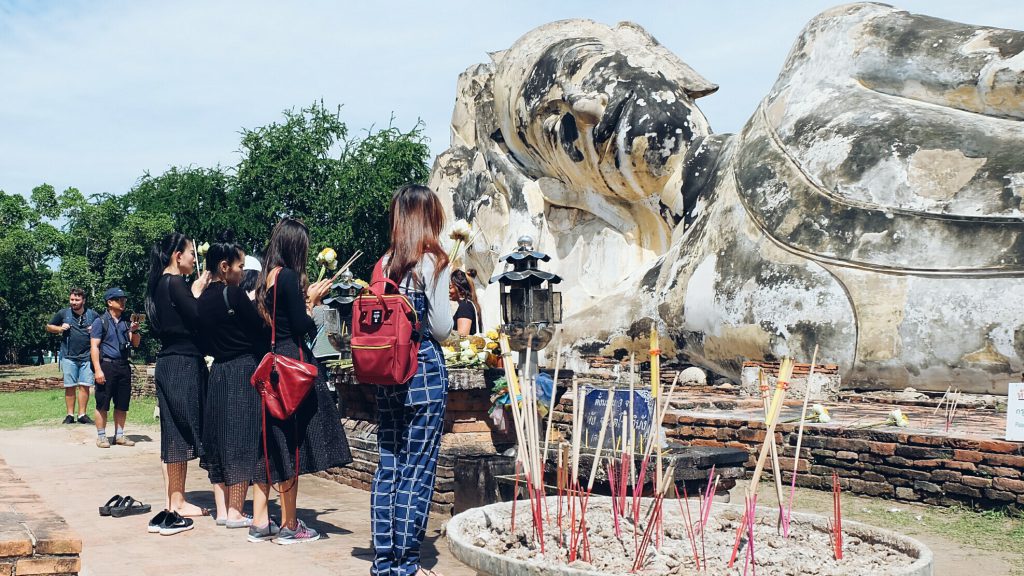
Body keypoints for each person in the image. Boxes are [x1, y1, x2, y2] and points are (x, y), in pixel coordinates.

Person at [253, 217, 351, 545]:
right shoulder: (290, 277)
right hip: (292, 364)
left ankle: (260, 521)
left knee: (271, 444)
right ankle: (290, 524)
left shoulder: (266, 278)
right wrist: (313, 302)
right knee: (291, 445)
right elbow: (302, 326)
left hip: (272, 362)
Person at [372, 184, 453, 576]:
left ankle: (384, 559)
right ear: (428, 217)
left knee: (389, 464)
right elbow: (440, 328)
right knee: (417, 468)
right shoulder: (433, 261)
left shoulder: (385, 263)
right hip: (423, 371)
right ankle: (407, 562)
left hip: (388, 374)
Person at [197, 234, 269, 535]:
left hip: (219, 372)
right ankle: (238, 510)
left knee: (219, 438)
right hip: (243, 369)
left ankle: (223, 509)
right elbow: (260, 330)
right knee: (241, 437)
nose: (242, 271)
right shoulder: (234, 294)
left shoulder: (202, 299)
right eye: (239, 266)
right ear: (225, 267)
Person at [143, 233, 214, 536]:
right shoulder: (174, 283)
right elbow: (198, 317)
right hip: (183, 362)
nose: (193, 259)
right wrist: (199, 292)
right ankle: (177, 502)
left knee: (174, 434)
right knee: (185, 430)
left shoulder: (160, 284)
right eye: (190, 254)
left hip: (169, 362)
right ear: (177, 256)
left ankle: (176, 501)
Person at [89, 287, 140, 447]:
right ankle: (101, 436)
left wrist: (135, 331)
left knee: (122, 403)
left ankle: (119, 435)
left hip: (123, 365)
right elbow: (94, 346)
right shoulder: (100, 322)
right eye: (119, 300)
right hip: (107, 365)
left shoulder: (126, 322)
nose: (123, 302)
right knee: (102, 402)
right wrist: (97, 369)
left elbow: (135, 343)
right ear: (110, 302)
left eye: (124, 299)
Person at [47, 288, 99, 424]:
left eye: (77, 300)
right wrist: (59, 328)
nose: (74, 302)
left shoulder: (92, 315)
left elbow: (102, 329)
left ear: (83, 300)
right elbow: (49, 326)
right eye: (72, 299)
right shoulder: (63, 313)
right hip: (69, 356)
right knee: (69, 386)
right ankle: (70, 415)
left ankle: (82, 415)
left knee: (85, 385)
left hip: (87, 356)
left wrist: (94, 329)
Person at [449, 269, 480, 337]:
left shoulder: (465, 306)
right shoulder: (468, 304)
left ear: (461, 290)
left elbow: (463, 337)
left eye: (450, 287)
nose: (448, 290)